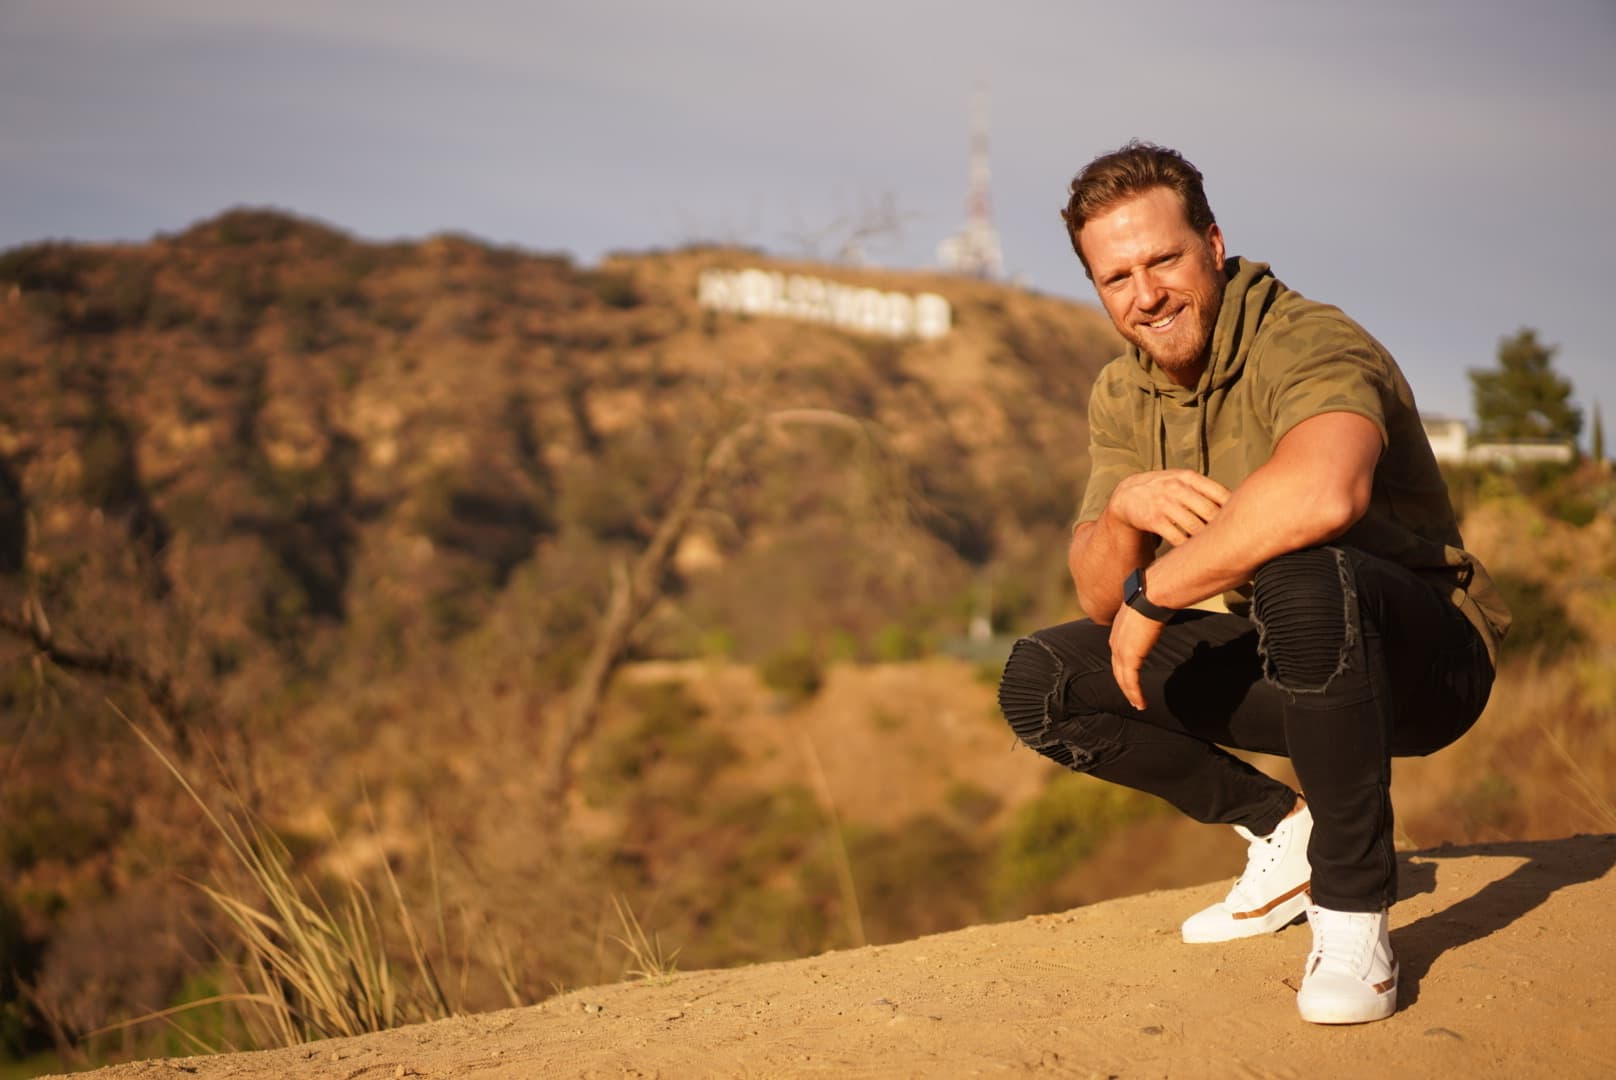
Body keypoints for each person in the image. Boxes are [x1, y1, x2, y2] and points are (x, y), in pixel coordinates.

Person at [997, 141, 1509, 1025]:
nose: (1146, 295)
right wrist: (1124, 507)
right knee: (1044, 681)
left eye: (1163, 260)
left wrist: (1156, 591)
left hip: (1427, 662)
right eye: (1117, 277)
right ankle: (1285, 829)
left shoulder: (1306, 338)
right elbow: (1095, 597)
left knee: (1302, 568)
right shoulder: (1123, 394)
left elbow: (1324, 491)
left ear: (1214, 244)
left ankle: (1353, 916)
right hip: (1298, 659)